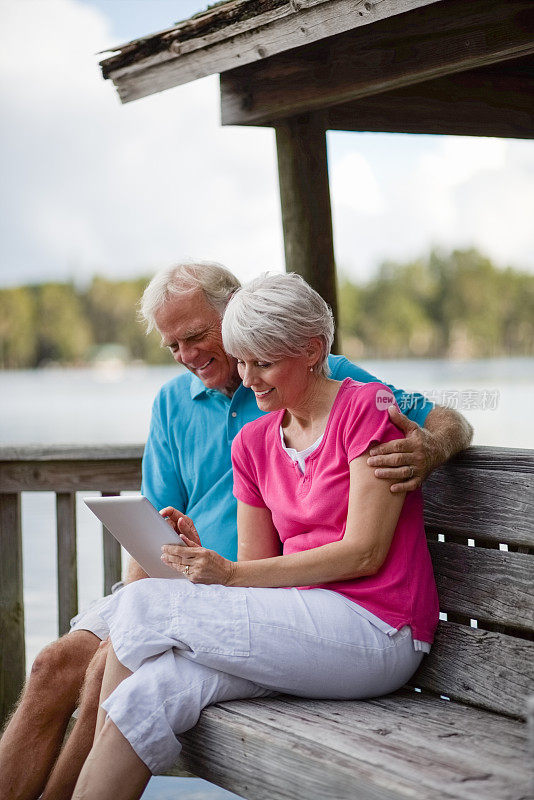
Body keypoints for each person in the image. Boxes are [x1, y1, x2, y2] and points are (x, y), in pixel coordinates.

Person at [0, 261, 472, 800]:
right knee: (127, 687)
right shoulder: (235, 429)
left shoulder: (354, 396)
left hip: (351, 617)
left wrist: (430, 448)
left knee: (136, 624)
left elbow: (427, 444)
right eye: (173, 345)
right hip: (256, 599)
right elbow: (218, 549)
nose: (193, 358)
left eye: (200, 337)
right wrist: (194, 563)